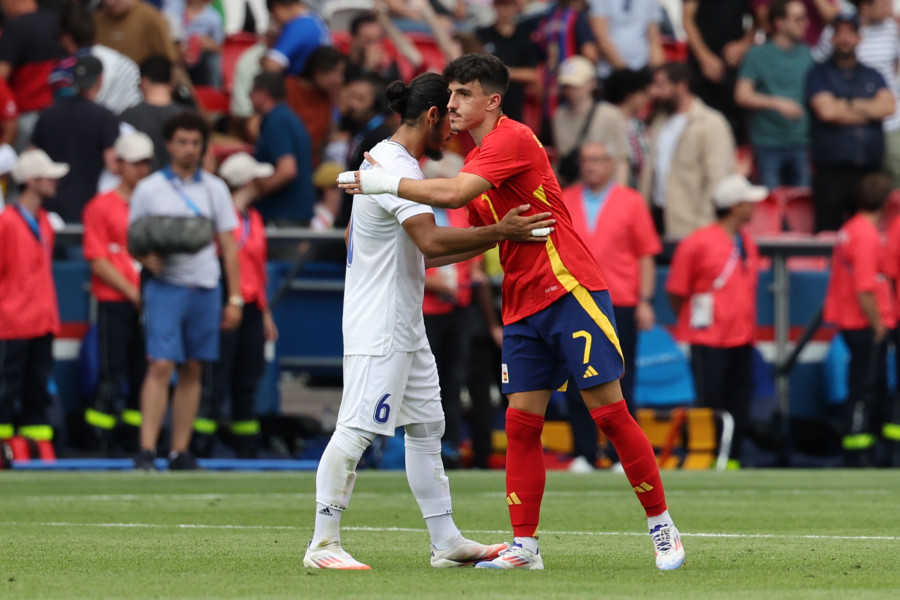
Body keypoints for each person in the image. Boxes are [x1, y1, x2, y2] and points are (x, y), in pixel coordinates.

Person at [339, 53, 685, 571]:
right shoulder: (481, 159)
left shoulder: (513, 139)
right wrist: (416, 242)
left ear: (491, 101)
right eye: (450, 95)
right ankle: (525, 547)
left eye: (462, 94)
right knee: (522, 426)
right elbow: (467, 239)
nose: (450, 104)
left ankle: (662, 526)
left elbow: (454, 192)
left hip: (568, 287)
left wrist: (381, 182)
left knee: (609, 413)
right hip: (522, 304)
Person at [304, 72, 556, 570]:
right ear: (434, 115)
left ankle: (445, 541)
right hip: (380, 321)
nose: (458, 127)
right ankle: (323, 542)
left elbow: (423, 257)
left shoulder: (394, 164)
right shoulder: (393, 166)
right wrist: (501, 232)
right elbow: (433, 242)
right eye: (453, 112)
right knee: (356, 429)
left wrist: (496, 234)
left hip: (404, 319)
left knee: (427, 426)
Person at [130, 112, 242, 471]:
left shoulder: (215, 188)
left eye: (195, 142)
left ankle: (179, 450)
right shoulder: (149, 189)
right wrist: (147, 258)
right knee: (161, 364)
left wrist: (234, 297)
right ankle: (147, 448)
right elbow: (135, 240)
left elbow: (228, 244)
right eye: (182, 141)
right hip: (165, 287)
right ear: (169, 144)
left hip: (205, 286)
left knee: (194, 367)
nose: (189, 149)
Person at [562, 139, 661, 469]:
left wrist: (645, 300)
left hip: (620, 300)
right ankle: (584, 453)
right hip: (576, 300)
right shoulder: (566, 198)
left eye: (597, 159)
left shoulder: (631, 202)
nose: (590, 165)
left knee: (621, 378)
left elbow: (646, 255)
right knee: (577, 379)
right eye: (585, 159)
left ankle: (623, 455)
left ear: (611, 164)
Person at [666, 174, 765, 469]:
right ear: (735, 207)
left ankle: (731, 457)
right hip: (708, 339)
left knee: (739, 400)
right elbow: (677, 291)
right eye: (748, 202)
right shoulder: (697, 243)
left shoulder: (746, 241)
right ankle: (708, 455)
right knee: (711, 401)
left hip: (742, 336)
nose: (754, 207)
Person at [197, 152, 278, 458]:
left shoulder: (253, 218)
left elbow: (258, 268)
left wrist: (266, 312)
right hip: (223, 303)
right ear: (247, 181)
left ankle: (246, 443)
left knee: (248, 376)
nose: (263, 182)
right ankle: (203, 440)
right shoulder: (218, 218)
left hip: (253, 307)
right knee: (216, 375)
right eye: (257, 176)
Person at [80, 132, 154, 454]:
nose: (142, 170)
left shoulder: (152, 206)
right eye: (136, 163)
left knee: (143, 373)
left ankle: (132, 439)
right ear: (120, 165)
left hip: (148, 303)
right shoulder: (101, 207)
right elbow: (98, 260)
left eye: (146, 163)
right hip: (115, 303)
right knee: (113, 373)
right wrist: (135, 294)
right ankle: (97, 438)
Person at [0, 149, 68, 451]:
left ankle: (36, 452)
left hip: (42, 321)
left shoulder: (45, 222)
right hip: (11, 324)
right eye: (48, 176)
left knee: (36, 392)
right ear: (31, 181)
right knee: (6, 390)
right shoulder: (6, 224)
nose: (55, 182)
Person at [827, 172, 895, 466]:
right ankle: (857, 449)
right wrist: (879, 325)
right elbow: (866, 287)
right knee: (864, 388)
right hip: (864, 323)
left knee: (869, 386)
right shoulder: (867, 236)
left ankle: (863, 444)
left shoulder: (851, 229)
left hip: (850, 320)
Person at [806, 13, 894, 232]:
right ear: (832, 38)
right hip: (833, 168)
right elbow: (827, 111)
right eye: (840, 33)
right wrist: (869, 109)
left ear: (858, 39)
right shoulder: (819, 73)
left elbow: (887, 108)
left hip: (869, 169)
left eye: (850, 33)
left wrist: (845, 105)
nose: (845, 38)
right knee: (828, 234)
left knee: (868, 232)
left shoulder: (872, 74)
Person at [640, 62, 736, 238]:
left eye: (661, 85)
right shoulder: (659, 122)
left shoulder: (711, 122)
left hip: (691, 225)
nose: (654, 92)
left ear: (681, 86)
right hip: (656, 218)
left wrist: (703, 225)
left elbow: (717, 178)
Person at [813, 1, 900, 188]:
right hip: (845, 138)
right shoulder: (833, 33)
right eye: (883, 3)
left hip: (891, 126)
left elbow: (888, 104)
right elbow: (820, 70)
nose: (889, 7)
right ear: (865, 6)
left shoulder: (893, 27)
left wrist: (847, 104)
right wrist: (870, 110)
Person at [31, 54, 120, 224]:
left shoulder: (48, 113)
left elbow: (32, 157)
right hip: (85, 210)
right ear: (100, 79)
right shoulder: (105, 117)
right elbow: (112, 164)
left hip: (47, 211)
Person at [735, 0, 815, 189]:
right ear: (779, 23)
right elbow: (742, 94)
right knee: (770, 205)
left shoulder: (807, 54)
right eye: (798, 19)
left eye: (805, 18)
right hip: (768, 144)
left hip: (801, 143)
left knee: (800, 206)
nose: (805, 23)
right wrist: (778, 103)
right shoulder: (758, 55)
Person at [250, 71, 315, 227]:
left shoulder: (277, 121)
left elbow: (287, 170)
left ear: (262, 93)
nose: (249, 98)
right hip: (295, 214)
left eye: (251, 92)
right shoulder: (288, 117)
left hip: (283, 217)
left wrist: (252, 193)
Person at [55, 4, 143, 116]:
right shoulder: (121, 60)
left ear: (67, 39)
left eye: (58, 36)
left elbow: (64, 110)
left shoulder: (64, 69)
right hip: (128, 122)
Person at [0, 0, 62, 151]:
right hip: (59, 113)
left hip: (25, 118)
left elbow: (1, 75)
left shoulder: (14, 27)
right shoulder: (57, 22)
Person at [120, 56, 185, 171]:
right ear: (172, 80)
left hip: (139, 186)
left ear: (143, 81)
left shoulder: (127, 117)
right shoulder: (190, 118)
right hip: (183, 186)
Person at [588, 0, 665, 79]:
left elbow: (654, 42)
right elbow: (601, 37)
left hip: (642, 69)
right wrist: (624, 72)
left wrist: (656, 73)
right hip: (610, 72)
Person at [262, 0, 330, 75]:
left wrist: (266, 55)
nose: (275, 20)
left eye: (273, 15)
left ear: (278, 8)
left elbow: (272, 66)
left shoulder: (299, 26)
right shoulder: (314, 19)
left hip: (306, 81)